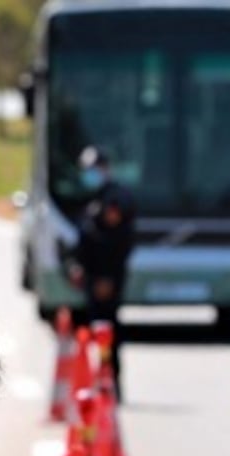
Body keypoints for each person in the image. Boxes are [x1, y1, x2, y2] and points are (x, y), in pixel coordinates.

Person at [68, 146, 135, 397]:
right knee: (92, 332)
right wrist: (77, 267)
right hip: (91, 278)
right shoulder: (90, 198)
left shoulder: (114, 198)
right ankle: (94, 380)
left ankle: (110, 382)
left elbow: (117, 244)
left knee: (107, 332)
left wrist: (107, 279)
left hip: (107, 281)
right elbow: (84, 241)